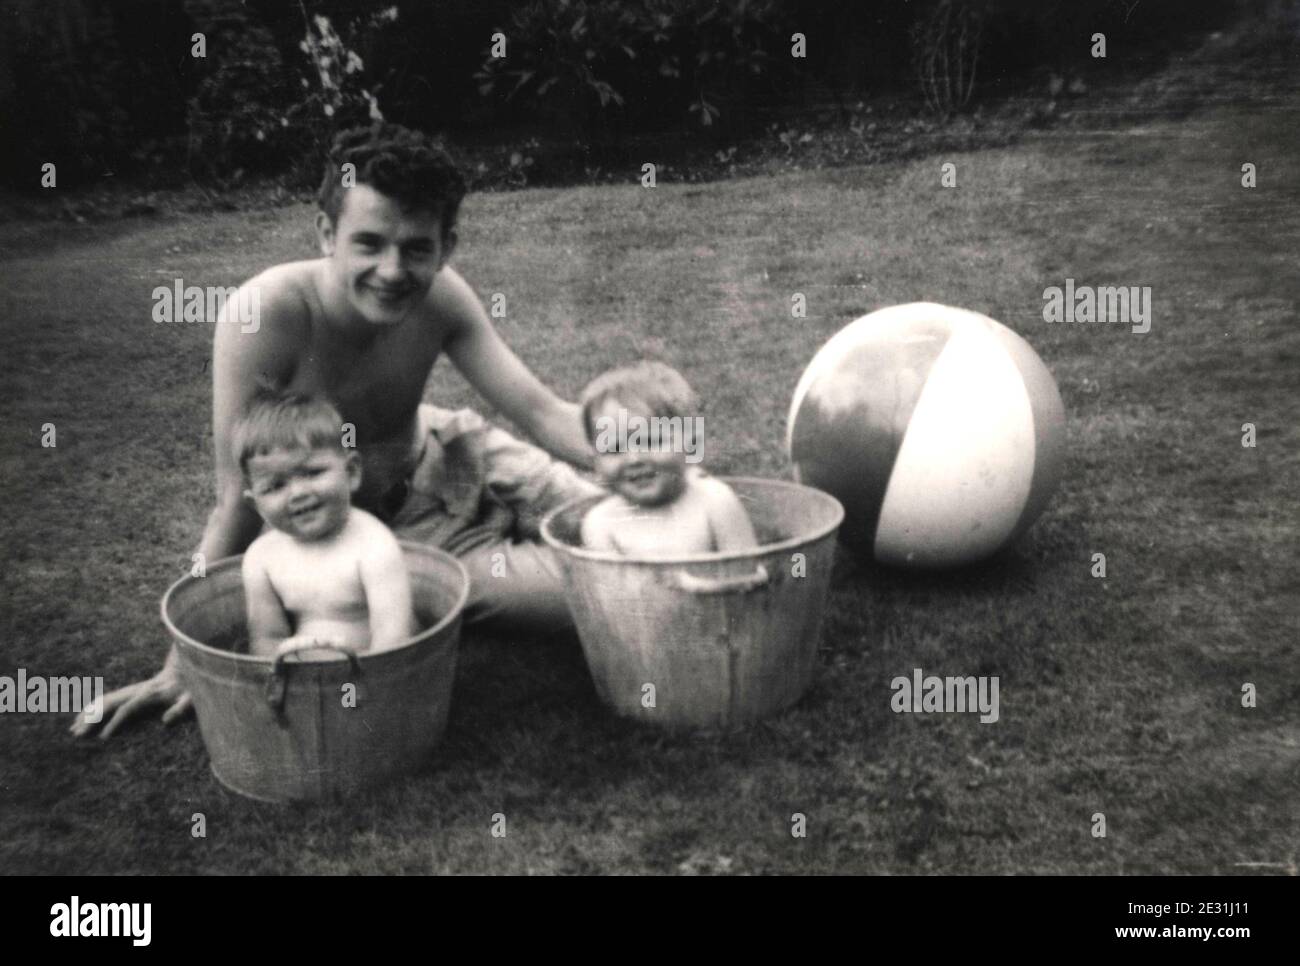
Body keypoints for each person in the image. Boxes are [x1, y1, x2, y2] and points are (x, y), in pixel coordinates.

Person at [72, 123, 601, 738]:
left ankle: (594, 519)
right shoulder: (264, 316)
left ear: (446, 246)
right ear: (326, 233)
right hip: (394, 537)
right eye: (369, 243)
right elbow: (234, 500)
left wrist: (647, 455)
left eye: (417, 248)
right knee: (599, 596)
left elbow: (542, 413)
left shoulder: (443, 296)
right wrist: (182, 661)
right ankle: (520, 541)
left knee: (656, 533)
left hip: (462, 451)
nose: (392, 269)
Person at [234, 388, 415, 658]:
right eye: (275, 486)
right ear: (255, 504)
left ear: (351, 472)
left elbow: (393, 638)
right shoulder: (261, 558)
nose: (298, 493)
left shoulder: (374, 546)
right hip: (305, 680)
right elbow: (267, 637)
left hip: (373, 674)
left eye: (312, 472)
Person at [579, 361, 758, 557]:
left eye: (650, 442)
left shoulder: (715, 502)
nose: (634, 459)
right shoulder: (600, 524)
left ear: (691, 443)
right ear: (594, 459)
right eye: (614, 449)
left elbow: (747, 576)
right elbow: (607, 587)